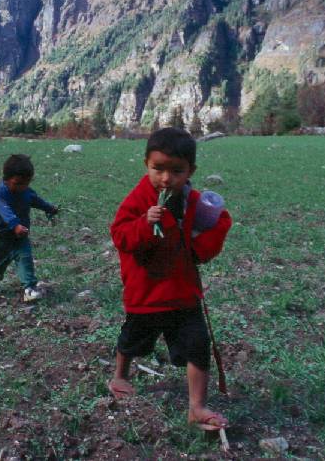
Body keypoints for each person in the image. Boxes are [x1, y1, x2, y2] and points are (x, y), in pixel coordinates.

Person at [108, 127, 232, 431]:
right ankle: (120, 376)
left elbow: (220, 222)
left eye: (176, 171)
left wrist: (198, 248)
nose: (166, 179)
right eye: (158, 169)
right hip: (147, 291)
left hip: (182, 290)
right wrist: (144, 224)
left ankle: (197, 407)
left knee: (197, 343)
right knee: (132, 338)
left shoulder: (193, 201)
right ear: (146, 165)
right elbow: (120, 235)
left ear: (191, 171)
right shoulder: (139, 198)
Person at [0, 154, 59, 302]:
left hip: (20, 236)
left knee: (25, 259)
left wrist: (50, 208)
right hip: (2, 237)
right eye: (18, 183)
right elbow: (6, 212)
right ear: (6, 179)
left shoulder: (26, 191)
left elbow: (37, 201)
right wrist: (15, 225)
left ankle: (29, 288)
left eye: (27, 183)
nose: (23, 187)